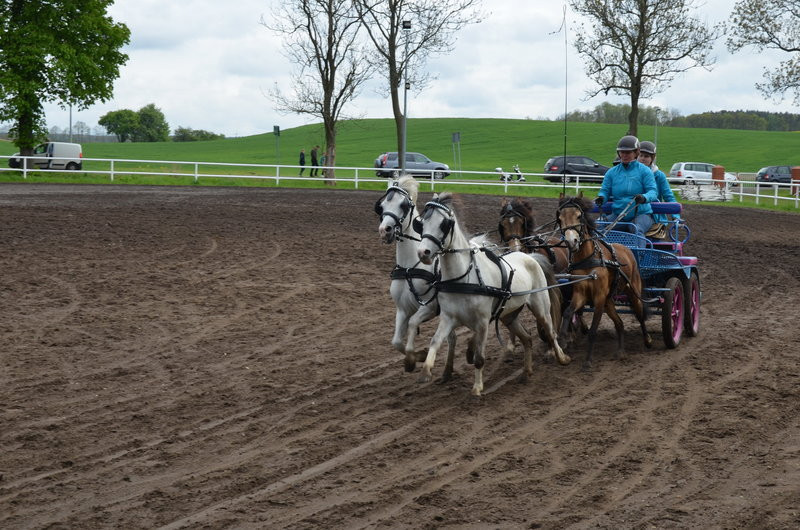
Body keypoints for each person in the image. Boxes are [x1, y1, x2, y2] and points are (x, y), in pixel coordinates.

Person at [594, 135, 658, 237]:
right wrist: (602, 197)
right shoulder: (611, 172)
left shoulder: (645, 171)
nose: (624, 155)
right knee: (598, 227)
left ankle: (638, 253)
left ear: (636, 152)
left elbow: (653, 192)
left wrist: (644, 197)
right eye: (622, 152)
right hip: (619, 215)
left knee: (636, 229)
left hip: (641, 214)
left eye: (628, 152)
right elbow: (605, 191)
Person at [637, 141, 681, 225]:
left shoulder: (659, 176)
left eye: (646, 156)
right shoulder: (631, 174)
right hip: (632, 212)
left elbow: (668, 196)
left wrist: (675, 216)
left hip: (654, 216)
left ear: (652, 159)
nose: (642, 158)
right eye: (640, 155)